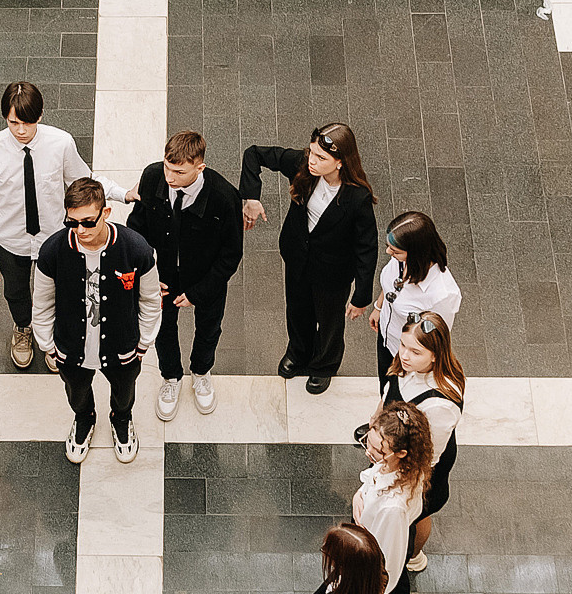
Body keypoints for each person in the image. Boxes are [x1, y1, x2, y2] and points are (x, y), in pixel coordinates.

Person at [0, 80, 137, 369]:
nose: (21, 130)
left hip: (54, 237)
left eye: (28, 122)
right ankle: (23, 328)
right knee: (16, 292)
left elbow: (83, 180)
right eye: (13, 123)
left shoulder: (60, 143)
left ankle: (56, 338)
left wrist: (122, 194)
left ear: (41, 115)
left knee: (63, 289)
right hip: (11, 240)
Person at [31, 178, 163, 465]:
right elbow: (42, 304)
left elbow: (151, 301)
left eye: (88, 222)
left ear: (106, 213)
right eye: (72, 222)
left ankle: (121, 419)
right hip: (70, 347)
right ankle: (84, 419)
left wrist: (143, 343)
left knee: (124, 391)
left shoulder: (136, 249)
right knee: (76, 392)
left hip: (124, 346)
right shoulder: (52, 252)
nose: (80, 230)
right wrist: (48, 346)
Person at [239, 123, 378, 395]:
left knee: (329, 322)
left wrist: (361, 296)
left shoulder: (357, 197)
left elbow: (366, 248)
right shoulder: (304, 166)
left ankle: (324, 365)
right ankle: (298, 351)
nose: (312, 161)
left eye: (321, 158)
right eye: (312, 153)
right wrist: (251, 197)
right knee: (297, 310)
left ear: (340, 162)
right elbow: (253, 154)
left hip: (333, 272)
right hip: (297, 258)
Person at [126, 130, 244, 420]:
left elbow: (231, 255)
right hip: (161, 278)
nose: (170, 176)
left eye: (178, 171)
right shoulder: (152, 176)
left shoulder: (224, 198)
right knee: (163, 330)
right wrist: (148, 274)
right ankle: (171, 377)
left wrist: (198, 293)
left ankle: (201, 372)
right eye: (167, 167)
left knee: (208, 329)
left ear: (199, 167)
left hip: (205, 280)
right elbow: (136, 228)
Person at [354, 401, 433, 594]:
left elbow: (387, 563)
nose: (369, 452)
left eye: (379, 450)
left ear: (401, 453)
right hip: (380, 535)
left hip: (376, 558)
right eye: (370, 442)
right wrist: (358, 496)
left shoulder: (393, 509)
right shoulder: (405, 469)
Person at [386, 312, 465, 574]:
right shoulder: (407, 366)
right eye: (403, 345)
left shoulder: (440, 404)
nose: (405, 355)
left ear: (435, 354)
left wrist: (404, 480)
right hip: (397, 451)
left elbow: (429, 457)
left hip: (420, 467)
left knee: (417, 512)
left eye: (415, 351)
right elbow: (388, 394)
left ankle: (414, 556)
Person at [367, 211, 461, 398]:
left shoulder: (441, 294)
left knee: (400, 398)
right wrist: (379, 308)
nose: (389, 253)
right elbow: (389, 286)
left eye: (395, 251)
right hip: (388, 339)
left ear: (417, 252)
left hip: (410, 358)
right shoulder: (400, 261)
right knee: (385, 387)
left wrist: (414, 368)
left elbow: (436, 339)